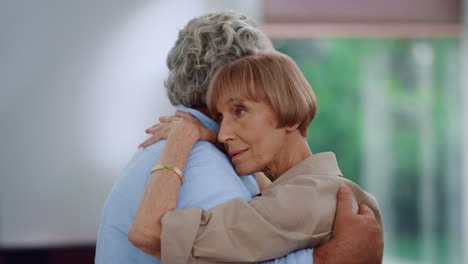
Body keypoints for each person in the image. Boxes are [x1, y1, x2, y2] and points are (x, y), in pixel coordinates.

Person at [96, 11, 383, 264]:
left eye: (240, 112)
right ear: (234, 78)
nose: (223, 133)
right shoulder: (204, 164)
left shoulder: (206, 156)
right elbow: (152, 234)